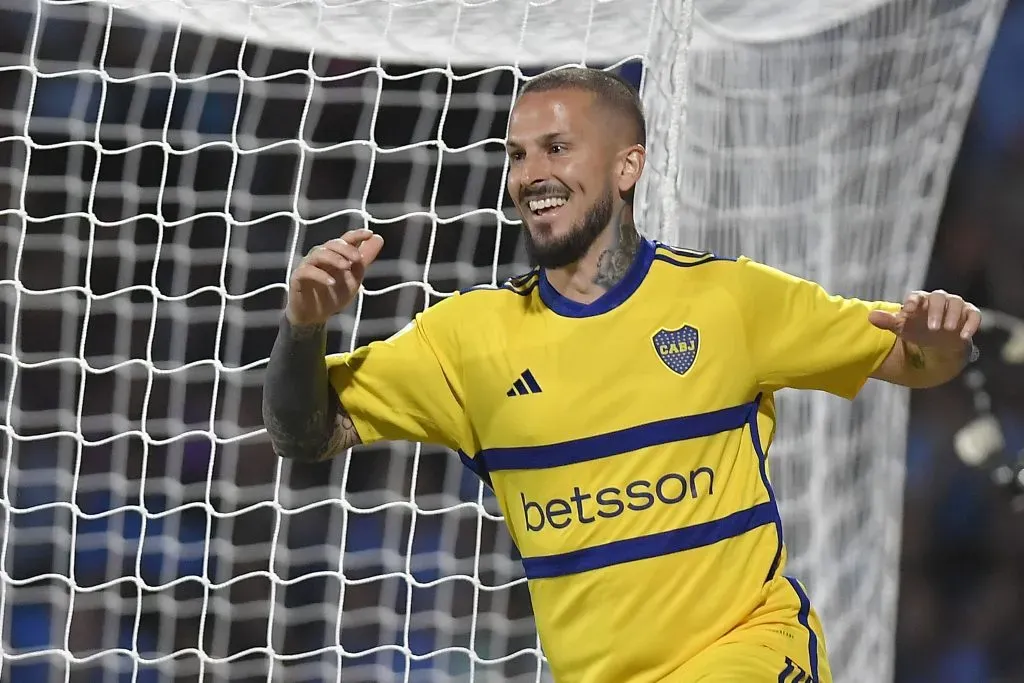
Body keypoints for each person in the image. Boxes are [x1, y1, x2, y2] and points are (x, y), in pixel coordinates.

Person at [261, 67, 981, 683]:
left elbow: (914, 360)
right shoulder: (465, 342)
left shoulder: (728, 300)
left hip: (753, 651)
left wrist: (941, 339)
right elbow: (303, 431)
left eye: (556, 148)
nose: (530, 174)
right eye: (516, 155)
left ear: (627, 166)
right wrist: (303, 324)